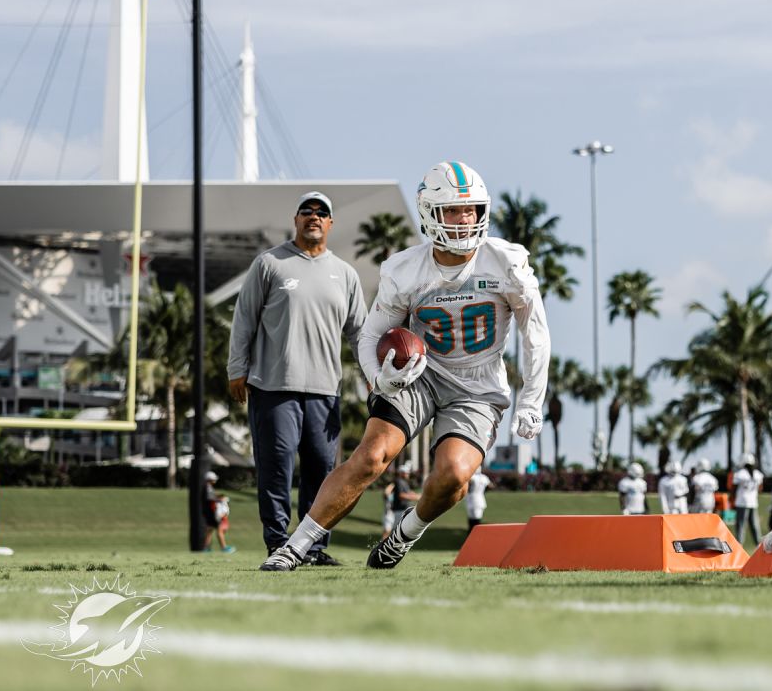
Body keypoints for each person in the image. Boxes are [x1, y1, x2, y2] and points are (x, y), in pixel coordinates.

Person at [261, 161, 549, 571]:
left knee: (454, 475)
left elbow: (535, 334)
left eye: (471, 210)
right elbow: (368, 335)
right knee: (372, 456)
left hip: (477, 385)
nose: (464, 220)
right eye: (453, 210)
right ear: (430, 213)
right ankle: (296, 546)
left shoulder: (507, 262)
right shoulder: (405, 269)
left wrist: (531, 401)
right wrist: (381, 377)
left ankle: (404, 534)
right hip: (420, 374)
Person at [228, 191, 366, 567]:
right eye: (308, 211)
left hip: (325, 391)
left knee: (323, 474)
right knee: (277, 470)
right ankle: (278, 544)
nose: (314, 217)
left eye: (322, 213)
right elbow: (244, 319)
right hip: (273, 387)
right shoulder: (270, 263)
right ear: (296, 219)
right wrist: (236, 368)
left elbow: (359, 333)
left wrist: (373, 375)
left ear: (331, 224)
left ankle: (313, 548)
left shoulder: (346, 274)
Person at [382, 462, 419, 540]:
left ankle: (392, 547)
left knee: (398, 531)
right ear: (401, 473)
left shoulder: (404, 483)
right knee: (393, 531)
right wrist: (416, 497)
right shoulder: (398, 482)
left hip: (401, 510)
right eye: (406, 473)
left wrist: (417, 495)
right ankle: (384, 547)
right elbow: (400, 495)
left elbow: (408, 492)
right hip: (395, 511)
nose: (408, 474)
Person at [732, 452, 763, 543]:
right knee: (755, 526)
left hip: (741, 502)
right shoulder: (758, 474)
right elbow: (760, 489)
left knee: (740, 526)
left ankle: (739, 546)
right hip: (753, 502)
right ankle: (759, 547)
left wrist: (732, 499)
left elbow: (733, 489)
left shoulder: (740, 474)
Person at [202, 471, 235, 553]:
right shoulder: (207, 487)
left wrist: (218, 496)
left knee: (209, 530)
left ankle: (206, 548)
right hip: (211, 512)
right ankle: (224, 547)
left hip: (209, 512)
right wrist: (220, 499)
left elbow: (211, 496)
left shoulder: (207, 487)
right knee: (219, 529)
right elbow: (209, 498)